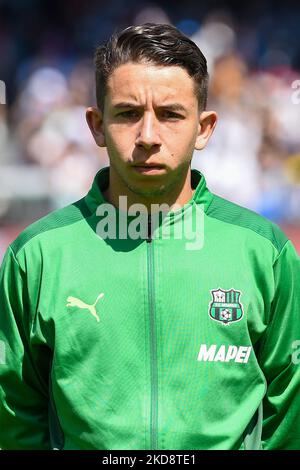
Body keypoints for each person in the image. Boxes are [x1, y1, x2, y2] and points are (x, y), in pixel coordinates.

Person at [0, 23, 300, 451]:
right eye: (127, 113)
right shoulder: (38, 256)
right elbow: (14, 416)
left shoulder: (265, 252)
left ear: (205, 127)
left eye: (171, 114)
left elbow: (290, 414)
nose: (148, 137)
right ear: (96, 125)